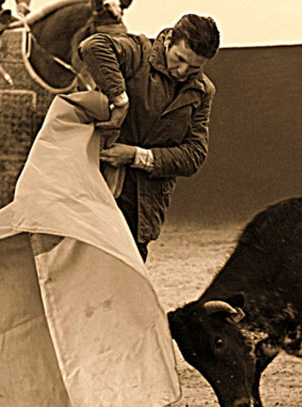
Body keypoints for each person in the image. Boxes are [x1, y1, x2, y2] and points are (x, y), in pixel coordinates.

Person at [78, 13, 220, 262]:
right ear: (168, 41)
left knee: (130, 276)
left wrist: (135, 156)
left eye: (195, 67)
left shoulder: (202, 91)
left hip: (145, 204)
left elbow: (195, 155)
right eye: (180, 59)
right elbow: (93, 46)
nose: (183, 71)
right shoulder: (138, 53)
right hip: (100, 184)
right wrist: (119, 98)